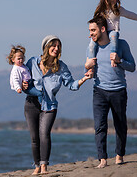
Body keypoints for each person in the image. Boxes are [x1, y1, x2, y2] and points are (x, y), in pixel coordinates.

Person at [22, 35, 92, 175]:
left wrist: (84, 78)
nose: (56, 48)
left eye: (58, 46)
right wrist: (23, 84)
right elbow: (24, 80)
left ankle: (44, 167)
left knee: (44, 134)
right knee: (34, 138)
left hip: (49, 106)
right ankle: (36, 166)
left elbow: (71, 84)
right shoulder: (32, 62)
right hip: (31, 104)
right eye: (53, 45)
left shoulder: (61, 67)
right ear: (46, 47)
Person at [85, 16, 136, 169]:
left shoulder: (121, 44)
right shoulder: (92, 48)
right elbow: (89, 71)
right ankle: (102, 160)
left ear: (102, 29)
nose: (90, 34)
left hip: (118, 90)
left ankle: (119, 156)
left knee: (120, 125)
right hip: (99, 91)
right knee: (99, 126)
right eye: (89, 31)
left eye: (93, 30)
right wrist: (87, 68)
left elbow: (132, 66)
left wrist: (120, 60)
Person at [87, 0, 137, 67]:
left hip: (113, 30)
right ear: (106, 0)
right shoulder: (100, 10)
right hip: (102, 32)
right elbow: (95, 23)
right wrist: (93, 33)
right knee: (91, 44)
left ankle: (113, 57)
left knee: (114, 36)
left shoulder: (118, 9)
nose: (115, 0)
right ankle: (90, 62)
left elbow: (130, 14)